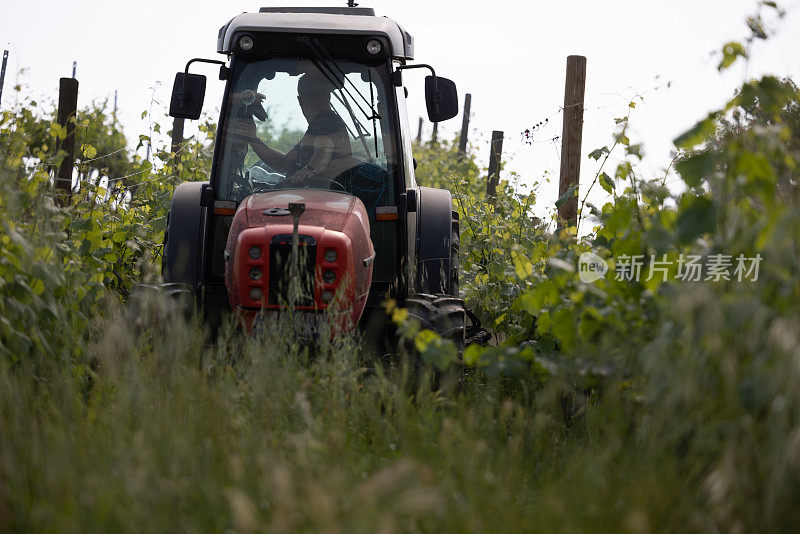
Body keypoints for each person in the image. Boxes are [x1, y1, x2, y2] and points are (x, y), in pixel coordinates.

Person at [241, 71, 354, 187]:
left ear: (300, 100)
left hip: (321, 198)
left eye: (316, 95)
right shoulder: (317, 129)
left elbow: (325, 147)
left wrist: (309, 170)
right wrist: (253, 140)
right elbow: (285, 163)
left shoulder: (326, 120)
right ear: (328, 96)